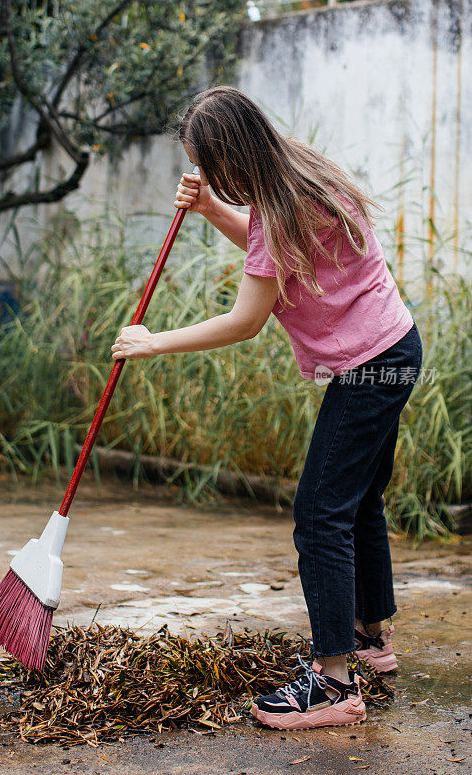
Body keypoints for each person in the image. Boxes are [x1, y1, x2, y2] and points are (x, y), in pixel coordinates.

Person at [110, 86, 423, 730]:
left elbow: (246, 318)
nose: (206, 176)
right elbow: (265, 249)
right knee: (358, 500)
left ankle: (334, 685)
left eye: (207, 166)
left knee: (318, 514)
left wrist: (152, 342)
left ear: (228, 160)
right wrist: (210, 212)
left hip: (367, 369)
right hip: (396, 347)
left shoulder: (278, 212)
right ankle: (372, 638)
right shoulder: (299, 172)